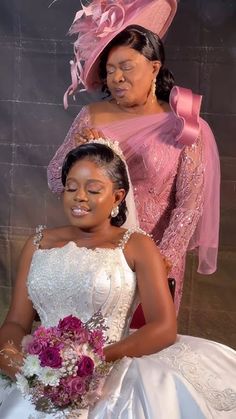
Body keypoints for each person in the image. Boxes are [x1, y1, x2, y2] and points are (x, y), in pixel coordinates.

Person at [0, 139, 235, 419]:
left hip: (113, 366)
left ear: (118, 197)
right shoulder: (38, 243)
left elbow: (163, 326)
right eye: (71, 188)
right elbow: (15, 322)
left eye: (93, 189)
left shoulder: (136, 245)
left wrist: (93, 361)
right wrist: (18, 363)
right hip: (43, 370)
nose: (79, 197)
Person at [47, 0, 220, 323]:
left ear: (154, 67)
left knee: (141, 343)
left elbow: (189, 205)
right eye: (110, 70)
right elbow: (56, 177)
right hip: (97, 253)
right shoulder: (92, 115)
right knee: (87, 343)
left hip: (155, 255)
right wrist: (78, 155)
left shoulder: (183, 125)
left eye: (126, 67)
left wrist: (162, 262)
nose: (117, 78)